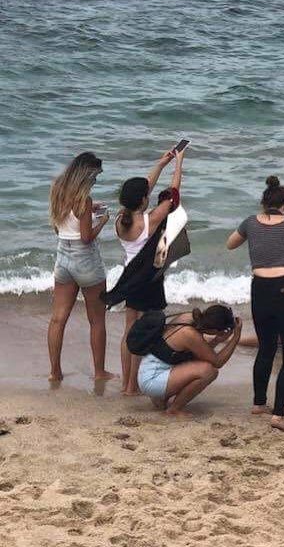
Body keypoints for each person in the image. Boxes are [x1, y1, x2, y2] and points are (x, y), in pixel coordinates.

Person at [226, 176, 284, 432]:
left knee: (266, 347)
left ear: (263, 202)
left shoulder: (250, 222)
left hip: (260, 287)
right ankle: (279, 415)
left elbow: (230, 244)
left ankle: (259, 403)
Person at [115, 147, 185, 396]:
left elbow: (146, 187)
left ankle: (126, 384)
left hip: (129, 278)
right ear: (144, 200)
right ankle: (134, 385)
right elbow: (173, 194)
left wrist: (161, 164)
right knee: (143, 332)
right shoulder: (150, 220)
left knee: (129, 330)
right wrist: (178, 163)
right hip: (148, 280)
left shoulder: (120, 220)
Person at [48, 152, 114, 383]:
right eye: (95, 176)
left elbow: (60, 226)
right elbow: (86, 237)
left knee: (58, 319)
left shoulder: (57, 188)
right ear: (86, 174)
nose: (96, 180)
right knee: (96, 320)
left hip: (63, 259)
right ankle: (100, 372)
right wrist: (102, 221)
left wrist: (88, 210)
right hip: (86, 262)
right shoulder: (84, 199)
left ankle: (55, 372)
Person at [137, 305, 242, 417]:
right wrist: (236, 337)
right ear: (215, 330)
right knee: (209, 371)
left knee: (200, 363)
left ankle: (161, 397)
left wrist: (217, 340)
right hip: (152, 379)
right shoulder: (190, 334)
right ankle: (174, 409)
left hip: (150, 367)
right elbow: (218, 362)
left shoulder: (189, 318)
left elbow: (200, 353)